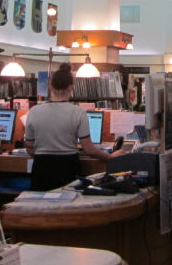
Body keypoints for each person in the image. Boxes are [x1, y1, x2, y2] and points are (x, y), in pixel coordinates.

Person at [25, 63, 125, 191]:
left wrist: (45, 153)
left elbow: (29, 148)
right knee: (67, 206)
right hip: (67, 167)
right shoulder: (78, 112)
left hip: (41, 167)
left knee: (40, 206)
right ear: (71, 87)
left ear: (50, 86)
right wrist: (111, 157)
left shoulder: (34, 111)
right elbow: (89, 149)